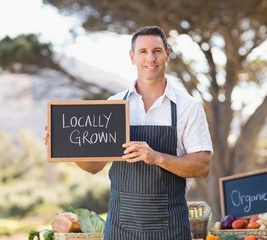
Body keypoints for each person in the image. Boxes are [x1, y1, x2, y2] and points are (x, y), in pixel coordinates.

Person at [45, 26, 213, 240]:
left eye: (157, 51)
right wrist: (62, 144)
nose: (150, 58)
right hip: (120, 228)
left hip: (170, 227)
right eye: (143, 51)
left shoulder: (188, 107)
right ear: (132, 57)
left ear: (167, 54)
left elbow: (202, 166)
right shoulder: (114, 105)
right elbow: (94, 166)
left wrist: (157, 157)